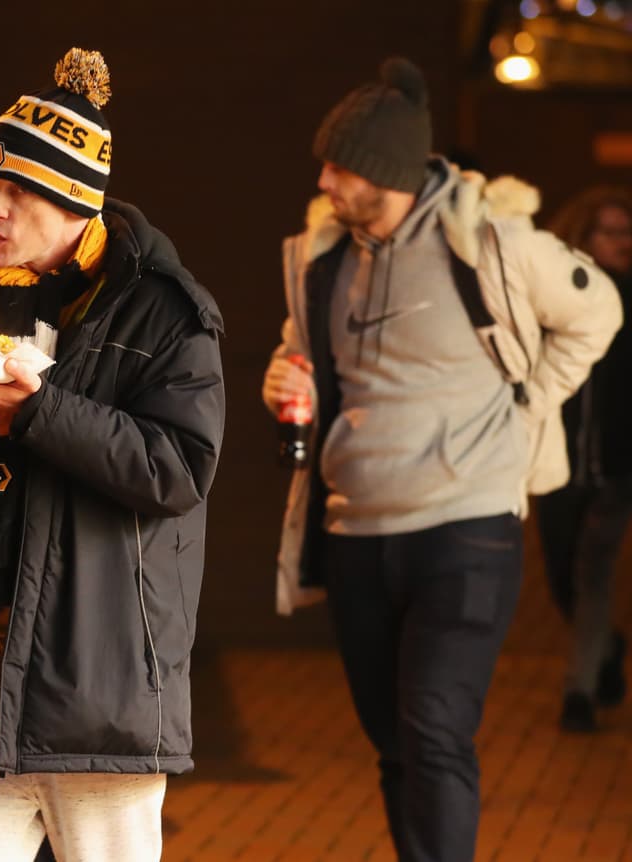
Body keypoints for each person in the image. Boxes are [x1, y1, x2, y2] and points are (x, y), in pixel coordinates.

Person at [0, 49, 226, 861]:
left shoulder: (166, 310)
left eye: (15, 192)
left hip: (99, 686)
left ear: (75, 203)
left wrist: (39, 411)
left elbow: (177, 471)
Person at [262, 58, 621, 862]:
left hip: (466, 526)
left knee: (433, 729)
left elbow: (598, 311)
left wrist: (532, 400)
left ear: (387, 171)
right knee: (393, 738)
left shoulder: (490, 242)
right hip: (356, 529)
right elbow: (298, 356)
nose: (323, 178)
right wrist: (283, 380)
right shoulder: (324, 254)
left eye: (340, 165)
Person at [536, 186, 632, 732]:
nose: (622, 242)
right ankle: (606, 648)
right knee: (560, 579)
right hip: (560, 467)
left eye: (626, 231)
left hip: (617, 470)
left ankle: (580, 691)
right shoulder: (557, 304)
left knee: (593, 572)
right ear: (584, 237)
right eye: (610, 232)